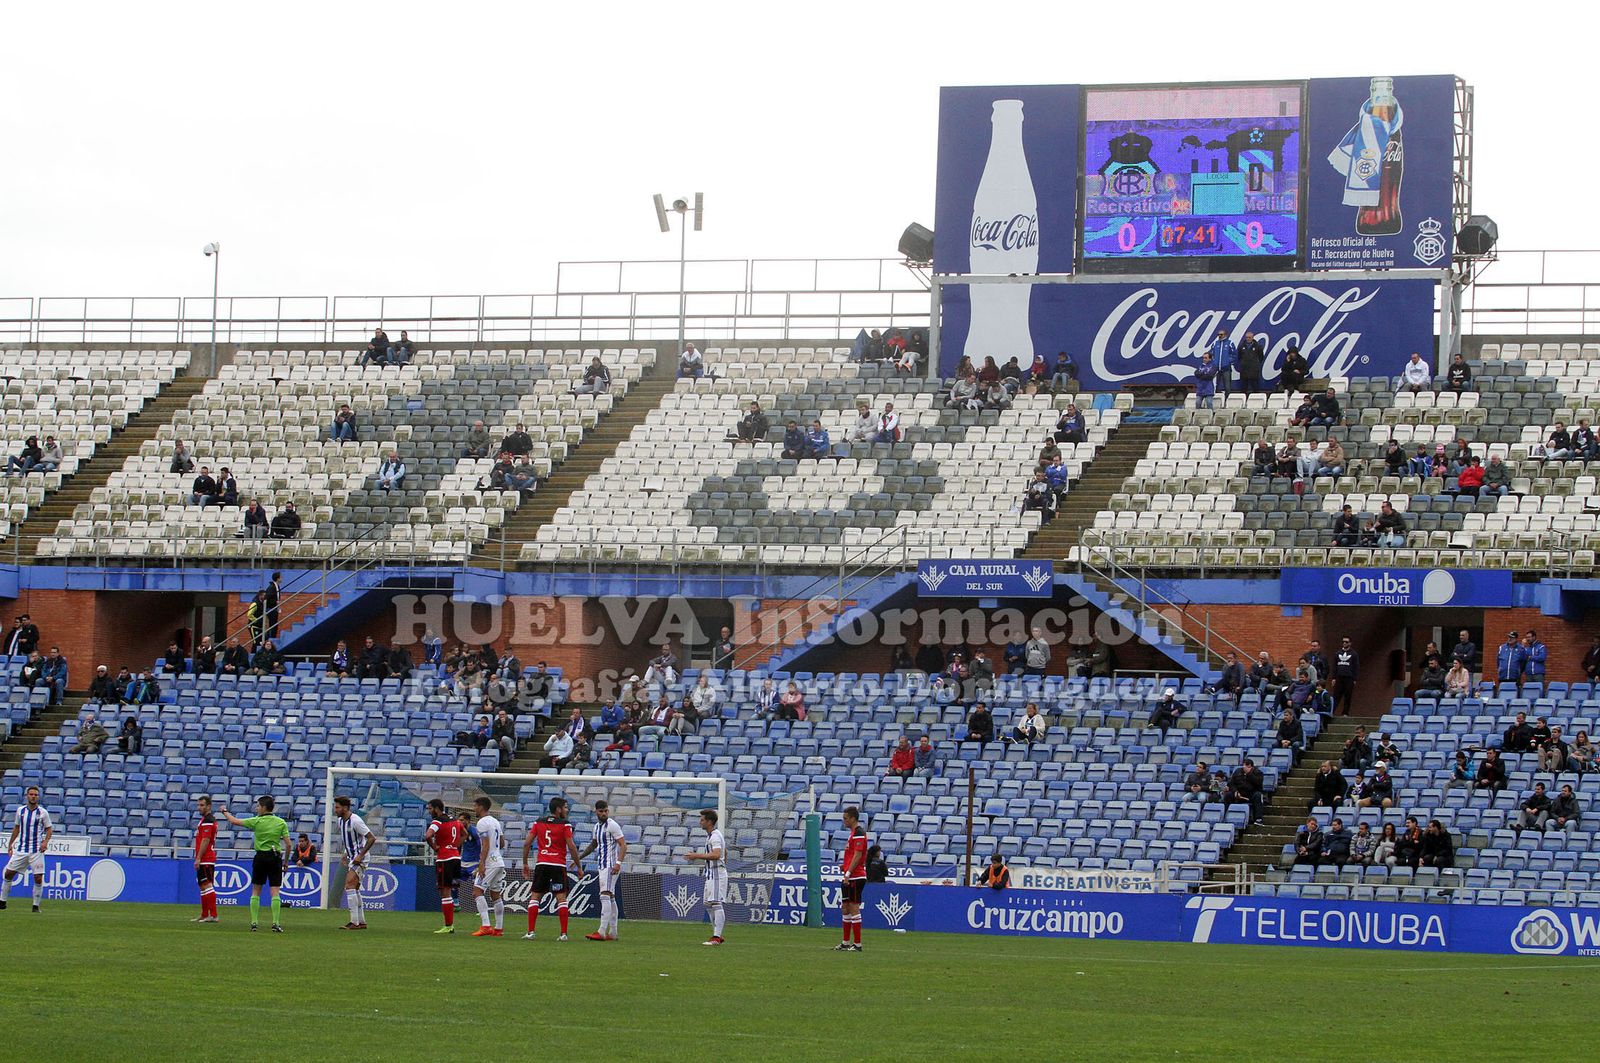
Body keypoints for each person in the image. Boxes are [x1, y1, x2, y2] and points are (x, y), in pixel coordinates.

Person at [218, 795, 289, 932]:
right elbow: (289, 844)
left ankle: (254, 923)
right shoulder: (281, 822)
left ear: (263, 807)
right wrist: (285, 862)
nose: (257, 808)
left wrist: (224, 811)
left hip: (260, 857)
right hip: (275, 857)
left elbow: (234, 821)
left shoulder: (256, 821)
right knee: (275, 891)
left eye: (258, 806)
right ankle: (275, 923)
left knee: (256, 890)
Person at [521, 797, 584, 942]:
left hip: (542, 863)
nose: (567, 810)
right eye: (566, 807)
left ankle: (530, 932)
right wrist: (579, 866)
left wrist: (525, 863)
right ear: (558, 809)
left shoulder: (539, 822)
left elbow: (526, 843)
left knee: (535, 896)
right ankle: (563, 934)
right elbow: (572, 846)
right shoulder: (565, 825)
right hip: (558, 865)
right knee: (561, 898)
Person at [1, 786, 53, 913]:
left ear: (38, 797)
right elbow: (17, 828)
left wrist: (45, 842)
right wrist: (10, 843)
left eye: (35, 794)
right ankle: (2, 902)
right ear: (27, 796)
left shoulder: (43, 813)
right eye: (31, 794)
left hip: (36, 851)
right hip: (21, 849)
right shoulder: (20, 811)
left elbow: (49, 829)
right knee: (8, 874)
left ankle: (35, 906)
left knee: (38, 878)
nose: (33, 796)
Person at [333, 795, 376, 931]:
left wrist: (360, 855)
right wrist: (346, 854)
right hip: (352, 857)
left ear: (345, 808)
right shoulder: (340, 821)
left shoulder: (355, 820)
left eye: (337, 807)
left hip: (360, 859)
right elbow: (350, 841)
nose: (335, 810)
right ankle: (361, 922)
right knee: (354, 888)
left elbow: (371, 838)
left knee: (349, 885)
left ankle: (354, 922)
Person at [424, 798, 467, 933]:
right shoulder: (455, 820)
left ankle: (449, 926)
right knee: (447, 891)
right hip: (455, 857)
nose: (429, 811)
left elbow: (428, 836)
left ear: (437, 808)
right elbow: (464, 834)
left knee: (445, 892)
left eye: (430, 809)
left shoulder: (437, 821)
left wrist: (436, 848)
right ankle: (449, 925)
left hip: (445, 859)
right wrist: (454, 846)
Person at [685, 808, 727, 946]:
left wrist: (696, 855)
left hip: (716, 874)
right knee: (708, 903)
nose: (700, 822)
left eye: (702, 820)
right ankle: (716, 934)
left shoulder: (714, 836)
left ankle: (716, 937)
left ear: (709, 821)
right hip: (711, 873)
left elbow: (716, 854)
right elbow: (725, 851)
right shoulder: (712, 835)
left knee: (715, 902)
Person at [469, 796, 507, 937]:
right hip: (499, 861)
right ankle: (498, 929)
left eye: (475, 806)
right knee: (495, 895)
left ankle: (485, 926)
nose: (474, 809)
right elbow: (502, 843)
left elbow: (485, 845)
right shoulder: (495, 822)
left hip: (490, 862)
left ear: (481, 807)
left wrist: (482, 864)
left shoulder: (482, 823)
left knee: (477, 891)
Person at [835, 805, 869, 952]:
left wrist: (848, 873)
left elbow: (858, 855)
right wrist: (845, 867)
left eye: (845, 818)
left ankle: (858, 944)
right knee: (845, 908)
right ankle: (845, 942)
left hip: (856, 876)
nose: (844, 821)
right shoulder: (853, 833)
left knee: (854, 907)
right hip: (849, 875)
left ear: (853, 818)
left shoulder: (859, 833)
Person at [1207, 328, 1236, 395]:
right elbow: (1211, 354)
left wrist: (1228, 362)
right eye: (1218, 334)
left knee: (1227, 386)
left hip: (1226, 368)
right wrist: (1214, 363)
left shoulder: (1230, 343)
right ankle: (1216, 399)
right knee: (1215, 385)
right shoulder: (1215, 343)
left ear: (1225, 335)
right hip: (1216, 369)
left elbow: (1234, 354)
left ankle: (1227, 400)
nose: (1219, 336)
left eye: (1221, 334)